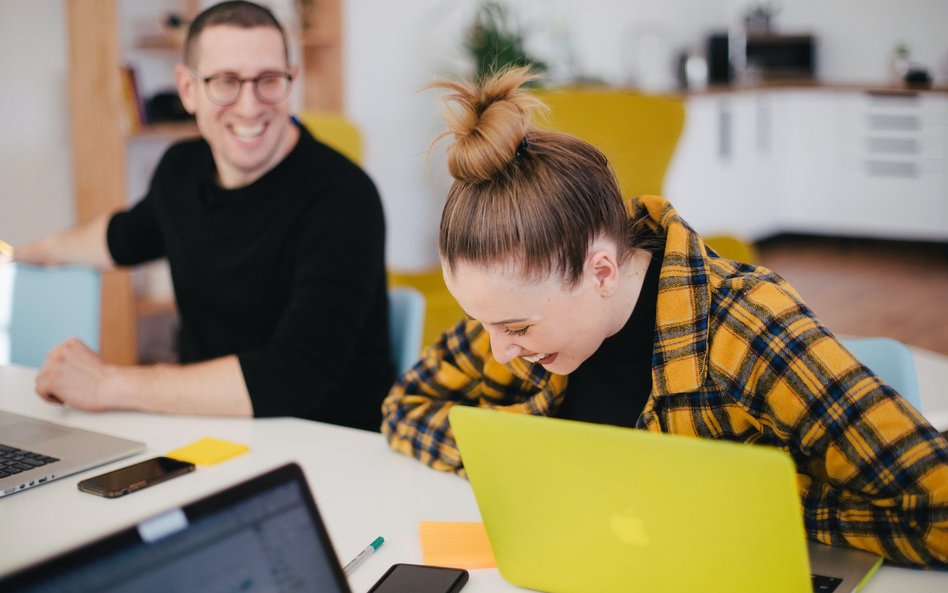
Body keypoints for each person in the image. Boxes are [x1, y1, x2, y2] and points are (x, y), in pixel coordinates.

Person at [381, 67, 948, 566]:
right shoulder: (518, 310)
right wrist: (529, 463)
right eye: (484, 323)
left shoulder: (746, 327)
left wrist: (759, 501)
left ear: (601, 272)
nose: (499, 349)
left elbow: (938, 510)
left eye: (516, 329)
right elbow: (405, 409)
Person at [10, 1, 393, 431]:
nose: (249, 106)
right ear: (188, 90)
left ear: (292, 81)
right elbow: (124, 236)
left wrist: (108, 384)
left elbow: (294, 375)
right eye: (225, 81)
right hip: (206, 430)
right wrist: (26, 251)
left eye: (268, 80)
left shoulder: (344, 197)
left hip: (328, 447)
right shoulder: (181, 169)